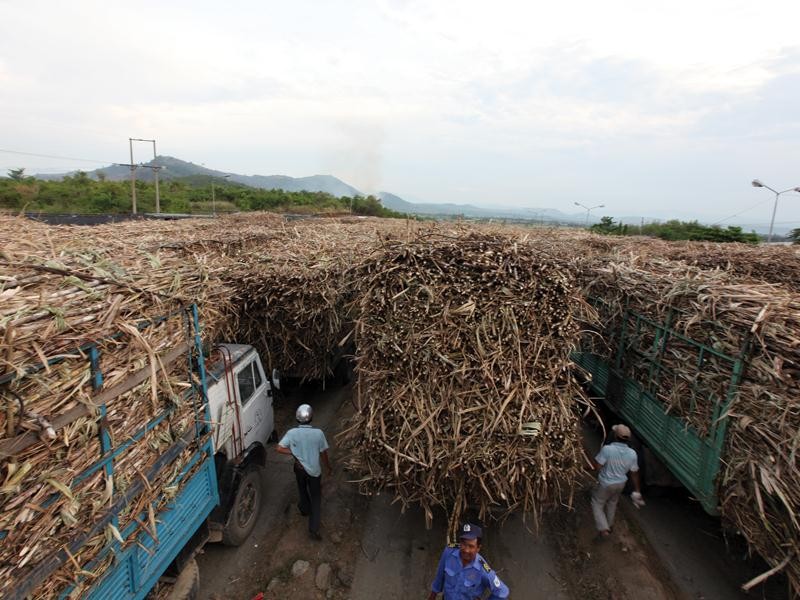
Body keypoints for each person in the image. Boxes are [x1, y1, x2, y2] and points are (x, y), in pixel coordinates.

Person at [276, 403, 332, 541]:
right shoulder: (318, 433)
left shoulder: (292, 433)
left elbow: (279, 448)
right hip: (314, 471)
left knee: (302, 489)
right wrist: (328, 467)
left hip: (299, 469)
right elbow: (323, 453)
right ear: (311, 417)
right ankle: (313, 529)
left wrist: (294, 452)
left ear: (297, 418)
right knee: (316, 498)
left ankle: (304, 509)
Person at [428, 523, 509, 600]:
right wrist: (432, 596)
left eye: (471, 546)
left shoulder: (483, 569)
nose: (466, 550)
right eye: (464, 544)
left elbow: (503, 591)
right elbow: (439, 576)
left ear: (478, 548)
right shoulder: (448, 552)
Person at [589, 423, 643, 537]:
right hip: (621, 484)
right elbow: (634, 473)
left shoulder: (608, 449)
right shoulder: (633, 454)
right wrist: (637, 490)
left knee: (597, 503)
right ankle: (610, 524)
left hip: (606, 483)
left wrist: (587, 468)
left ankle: (604, 529)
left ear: (615, 436)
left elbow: (597, 467)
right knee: (612, 503)